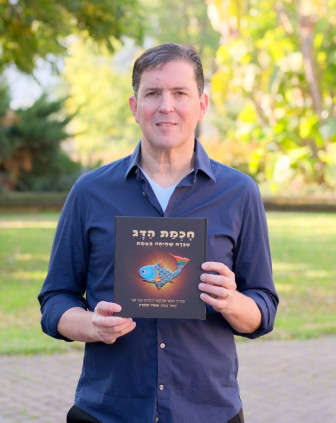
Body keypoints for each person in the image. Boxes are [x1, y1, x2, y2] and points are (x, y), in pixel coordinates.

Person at [38, 42, 278, 423]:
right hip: (108, 411)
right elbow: (54, 300)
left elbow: (263, 309)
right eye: (153, 93)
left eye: (180, 93)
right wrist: (92, 325)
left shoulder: (239, 193)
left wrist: (231, 301)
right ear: (135, 107)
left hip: (208, 412)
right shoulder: (90, 192)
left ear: (201, 105)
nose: (166, 106)